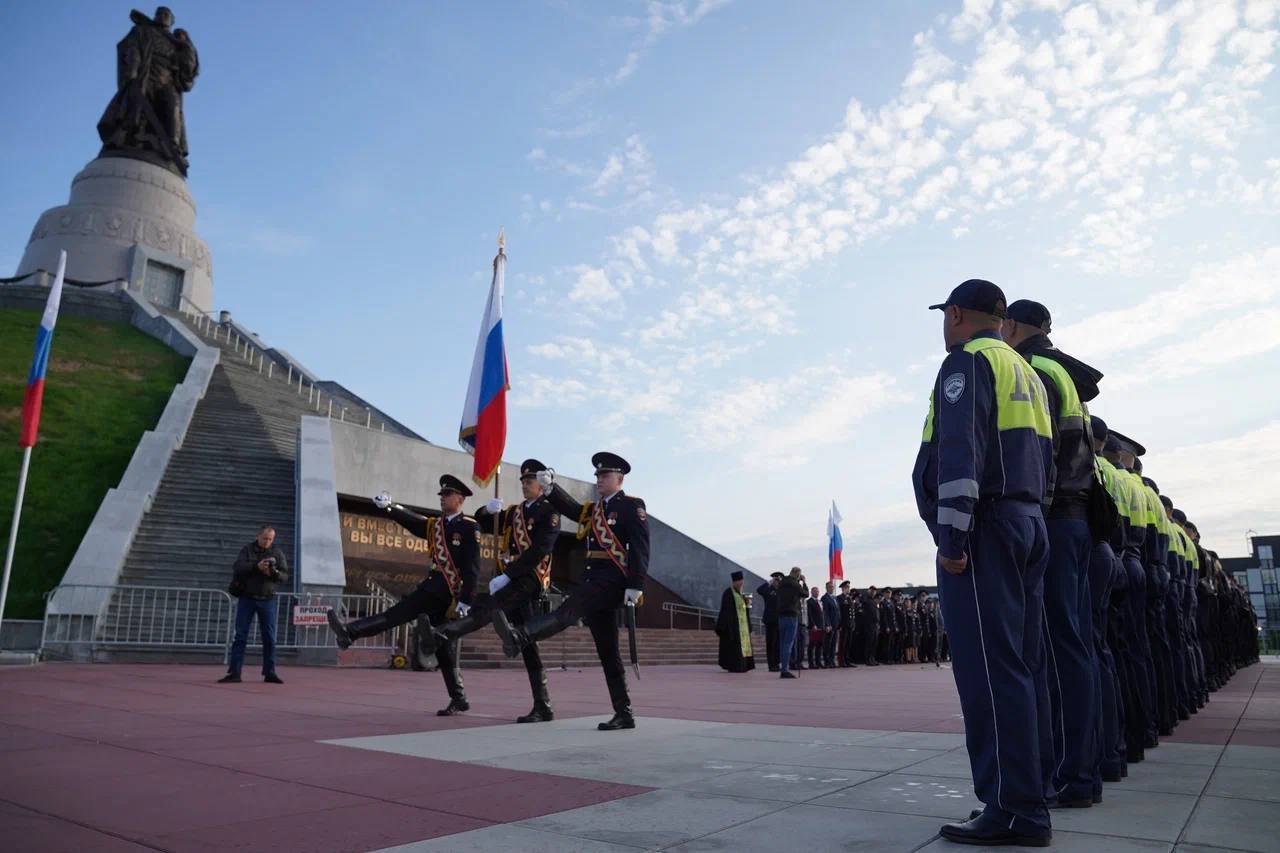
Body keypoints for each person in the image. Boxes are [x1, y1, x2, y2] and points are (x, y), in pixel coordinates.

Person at [912, 278, 1054, 846]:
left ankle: (1013, 808)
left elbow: (960, 453)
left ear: (954, 314)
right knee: (1022, 669)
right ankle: (1031, 793)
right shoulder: (1025, 370)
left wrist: (953, 540)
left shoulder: (966, 363)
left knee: (990, 674)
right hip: (1027, 523)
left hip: (985, 532)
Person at [1002, 299, 1103, 809]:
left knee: (1056, 651)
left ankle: (1070, 774)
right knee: (1076, 646)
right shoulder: (1061, 372)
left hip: (1055, 518)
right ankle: (1083, 770)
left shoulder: (1033, 369)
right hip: (1077, 519)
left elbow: (1035, 452)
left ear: (1013, 326)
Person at [492, 452, 648, 731]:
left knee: (568, 610)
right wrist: (552, 488)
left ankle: (519, 636)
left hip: (611, 581)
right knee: (608, 651)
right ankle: (624, 712)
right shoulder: (595, 510)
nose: (599, 479)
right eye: (598, 475)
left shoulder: (631, 507)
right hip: (594, 579)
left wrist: (636, 585)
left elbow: (640, 547)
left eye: (605, 475)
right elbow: (574, 510)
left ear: (620, 479)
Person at [416, 459, 560, 723]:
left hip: (529, 579)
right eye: (523, 482)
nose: (525, 486)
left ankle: (442, 633)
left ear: (541, 485)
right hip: (510, 578)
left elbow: (541, 549)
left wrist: (509, 574)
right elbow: (482, 521)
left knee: (488, 607)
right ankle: (543, 705)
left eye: (529, 482)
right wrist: (487, 509)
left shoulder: (549, 512)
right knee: (527, 644)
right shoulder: (515, 512)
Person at [326, 475, 479, 716]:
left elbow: (472, 566)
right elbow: (414, 522)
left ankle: (350, 632)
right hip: (434, 587)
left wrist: (466, 599)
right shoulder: (435, 526)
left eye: (447, 495)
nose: (442, 499)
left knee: (396, 615)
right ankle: (459, 697)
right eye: (441, 495)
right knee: (443, 648)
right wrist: (390, 507)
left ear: (460, 499)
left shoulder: (469, 527)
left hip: (447, 591)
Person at [220, 525, 289, 684]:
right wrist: (256, 567)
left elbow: (285, 576)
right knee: (240, 636)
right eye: (265, 538)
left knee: (270, 638)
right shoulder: (247, 549)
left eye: (270, 539)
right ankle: (235, 672)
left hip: (268, 599)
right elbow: (238, 567)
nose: (267, 542)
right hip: (247, 598)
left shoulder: (277, 552)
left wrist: (274, 573)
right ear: (258, 536)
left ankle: (270, 672)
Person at [716, 571, 755, 672]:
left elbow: (747, 612)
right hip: (733, 626)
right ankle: (734, 666)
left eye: (742, 582)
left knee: (743, 647)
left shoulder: (745, 594)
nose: (741, 584)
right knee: (734, 648)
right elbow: (725, 611)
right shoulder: (728, 593)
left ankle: (744, 666)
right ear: (734, 582)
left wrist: (750, 626)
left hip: (744, 626)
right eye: (739, 582)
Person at [777, 567, 805, 679]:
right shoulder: (795, 584)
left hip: (781, 615)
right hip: (792, 615)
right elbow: (805, 594)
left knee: (783, 642)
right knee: (788, 643)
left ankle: (783, 666)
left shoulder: (781, 583)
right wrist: (804, 582)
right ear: (798, 575)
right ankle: (785, 670)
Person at [757, 572, 783, 671]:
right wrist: (769, 582)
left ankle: (777, 663)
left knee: (778, 644)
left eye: (779, 580)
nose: (777, 582)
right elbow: (759, 590)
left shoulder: (782, 591)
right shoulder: (768, 590)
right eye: (775, 580)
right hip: (770, 620)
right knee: (771, 643)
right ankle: (771, 665)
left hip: (780, 620)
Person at [837, 581, 857, 667]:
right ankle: (842, 661)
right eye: (846, 588)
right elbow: (839, 613)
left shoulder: (850, 598)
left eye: (848, 587)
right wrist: (840, 624)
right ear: (842, 589)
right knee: (843, 644)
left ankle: (847, 660)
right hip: (844, 624)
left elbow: (852, 613)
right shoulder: (839, 598)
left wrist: (853, 623)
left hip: (850, 624)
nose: (848, 589)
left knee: (849, 643)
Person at [821, 581, 841, 668]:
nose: (831, 588)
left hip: (836, 624)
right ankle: (827, 661)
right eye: (829, 587)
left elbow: (838, 612)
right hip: (830, 625)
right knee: (827, 644)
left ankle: (832, 660)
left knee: (833, 644)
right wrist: (827, 624)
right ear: (826, 588)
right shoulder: (825, 598)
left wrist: (839, 624)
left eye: (832, 587)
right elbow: (825, 612)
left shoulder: (834, 598)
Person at [861, 585, 880, 665]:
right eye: (872, 591)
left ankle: (872, 658)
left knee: (874, 643)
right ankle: (868, 659)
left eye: (874, 591)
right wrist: (867, 593)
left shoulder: (873, 601)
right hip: (869, 625)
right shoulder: (866, 599)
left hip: (875, 625)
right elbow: (863, 601)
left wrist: (878, 623)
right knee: (869, 643)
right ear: (869, 591)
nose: (873, 592)